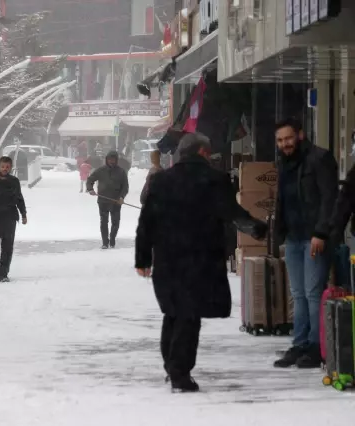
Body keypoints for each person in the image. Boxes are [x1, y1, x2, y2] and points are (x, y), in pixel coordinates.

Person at [135, 133, 267, 392]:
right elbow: (231, 212)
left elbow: (146, 221)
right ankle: (179, 373)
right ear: (203, 153)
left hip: (168, 258)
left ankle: (172, 366)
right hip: (200, 258)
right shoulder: (215, 180)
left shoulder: (160, 180)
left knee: (174, 312)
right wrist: (256, 227)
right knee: (189, 314)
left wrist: (143, 258)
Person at [273, 117, 338, 369]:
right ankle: (299, 343)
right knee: (298, 294)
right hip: (293, 237)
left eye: (288, 138)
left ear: (300, 135)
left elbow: (329, 199)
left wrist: (321, 233)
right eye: (280, 140)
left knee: (312, 294)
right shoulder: (284, 163)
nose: (285, 144)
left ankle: (315, 346)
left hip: (314, 238)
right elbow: (283, 200)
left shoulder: (320, 159)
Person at [86, 151, 129, 249]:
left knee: (115, 222)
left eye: (113, 159)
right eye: (109, 159)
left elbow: (125, 187)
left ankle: (112, 239)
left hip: (116, 201)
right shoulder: (100, 170)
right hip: (103, 201)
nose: (111, 161)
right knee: (104, 221)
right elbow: (90, 180)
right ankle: (105, 242)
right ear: (106, 159)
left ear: (116, 160)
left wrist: (122, 197)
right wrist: (90, 189)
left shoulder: (121, 172)